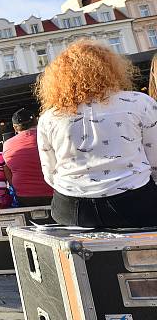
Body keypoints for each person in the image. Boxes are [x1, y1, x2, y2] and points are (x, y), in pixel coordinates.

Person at [36, 40, 157, 227]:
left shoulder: (49, 117)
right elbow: (155, 158)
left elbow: (49, 172)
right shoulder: (140, 103)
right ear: (110, 68)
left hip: (72, 208)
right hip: (135, 203)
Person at [2, 108, 53, 207]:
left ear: (15, 127)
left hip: (24, 197)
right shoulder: (49, 137)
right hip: (54, 193)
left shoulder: (7, 144)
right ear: (36, 121)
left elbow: (6, 169)